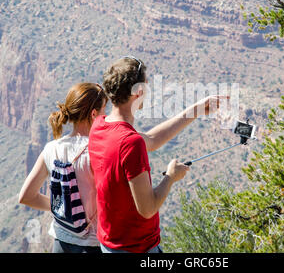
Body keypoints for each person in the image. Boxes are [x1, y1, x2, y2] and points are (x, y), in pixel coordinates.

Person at [88, 56, 228, 253]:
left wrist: (195, 110)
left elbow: (152, 140)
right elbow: (147, 209)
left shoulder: (100, 125)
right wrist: (171, 177)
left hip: (109, 243)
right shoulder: (130, 142)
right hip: (137, 248)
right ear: (138, 92)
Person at [18, 82, 108, 253]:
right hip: (92, 245)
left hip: (60, 242)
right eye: (104, 109)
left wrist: (63, 208)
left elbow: (26, 196)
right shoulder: (99, 151)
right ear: (94, 113)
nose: (106, 114)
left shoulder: (51, 148)